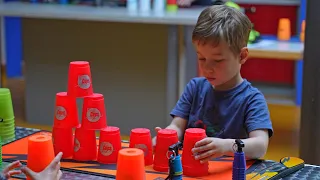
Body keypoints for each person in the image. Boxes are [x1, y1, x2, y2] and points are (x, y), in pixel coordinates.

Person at [152, 5, 273, 164]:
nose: (207, 68)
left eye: (217, 60)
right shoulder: (195, 88)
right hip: (192, 170)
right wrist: (166, 136)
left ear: (242, 56)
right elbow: (177, 126)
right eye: (202, 58)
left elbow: (260, 146)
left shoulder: (252, 99)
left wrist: (226, 146)